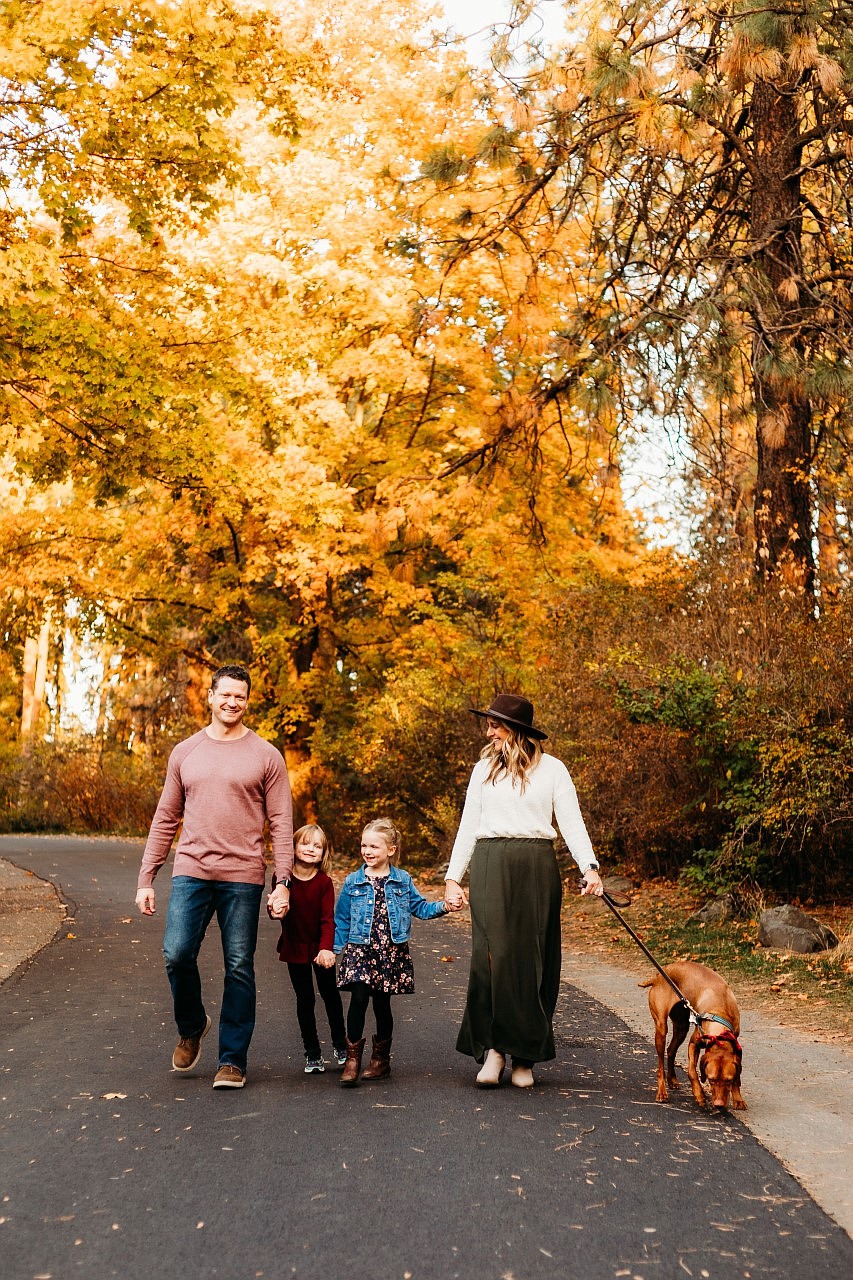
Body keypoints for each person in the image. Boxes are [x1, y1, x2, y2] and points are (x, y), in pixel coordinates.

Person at [135, 664, 294, 1090]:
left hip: (243, 876)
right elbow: (166, 817)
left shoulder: (266, 755)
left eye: (240, 696)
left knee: (239, 966)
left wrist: (283, 882)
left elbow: (281, 822)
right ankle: (192, 1025)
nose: (232, 702)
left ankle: (232, 1060)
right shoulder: (185, 752)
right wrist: (146, 876)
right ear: (210, 696)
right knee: (176, 953)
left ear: (247, 700)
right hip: (191, 871)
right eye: (225, 694)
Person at [444, 693, 603, 1089]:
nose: (489, 731)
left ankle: (525, 1056)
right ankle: (494, 1050)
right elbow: (468, 825)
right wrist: (452, 877)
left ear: (515, 730)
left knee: (533, 959)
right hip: (489, 863)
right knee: (492, 958)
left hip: (535, 865)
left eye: (495, 725)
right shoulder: (483, 770)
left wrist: (590, 867)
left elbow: (571, 822)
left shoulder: (553, 770)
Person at [334, 817, 457, 1087]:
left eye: (374, 846)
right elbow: (341, 919)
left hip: (389, 952)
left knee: (381, 1003)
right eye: (364, 845)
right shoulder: (353, 881)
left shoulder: (402, 880)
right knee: (358, 998)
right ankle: (352, 1060)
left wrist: (445, 907)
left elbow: (421, 908)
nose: (367, 851)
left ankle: (380, 1061)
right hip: (360, 950)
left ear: (390, 850)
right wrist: (332, 949)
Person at [269, 823, 347, 1074]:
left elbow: (327, 919)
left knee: (330, 995)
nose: (310, 849)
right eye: (305, 843)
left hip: (319, 948)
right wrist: (275, 911)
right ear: (293, 847)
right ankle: (312, 1053)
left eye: (317, 846)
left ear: (323, 853)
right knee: (305, 1000)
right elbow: (277, 909)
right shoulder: (283, 879)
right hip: (295, 947)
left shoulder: (324, 882)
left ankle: (340, 1045)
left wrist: (327, 949)